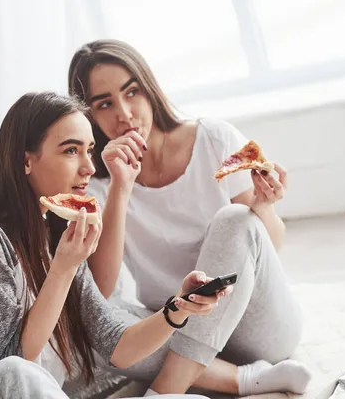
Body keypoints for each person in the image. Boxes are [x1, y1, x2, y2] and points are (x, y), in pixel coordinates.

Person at [0, 91, 223, 399]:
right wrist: (63, 268)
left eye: (89, 150)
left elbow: (117, 345)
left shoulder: (54, 230)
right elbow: (13, 360)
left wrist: (180, 306)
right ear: (25, 160)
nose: (89, 167)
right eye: (71, 151)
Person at [67, 39, 312, 396]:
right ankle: (247, 380)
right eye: (104, 103)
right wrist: (121, 186)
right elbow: (102, 289)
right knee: (85, 313)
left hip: (256, 328)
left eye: (131, 92)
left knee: (234, 219)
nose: (123, 112)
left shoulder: (214, 138)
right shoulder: (99, 182)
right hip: (176, 328)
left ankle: (166, 389)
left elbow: (267, 247)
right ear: (89, 116)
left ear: (149, 89)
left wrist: (263, 206)